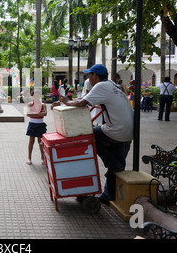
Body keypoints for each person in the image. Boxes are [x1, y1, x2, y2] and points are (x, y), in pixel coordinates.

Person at [52, 64, 133, 204]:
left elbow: (83, 103)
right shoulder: (113, 85)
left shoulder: (101, 86)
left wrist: (67, 102)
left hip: (116, 130)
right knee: (117, 165)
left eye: (90, 75)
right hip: (128, 133)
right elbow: (85, 100)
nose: (88, 78)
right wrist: (70, 101)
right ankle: (108, 196)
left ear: (95, 75)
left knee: (89, 135)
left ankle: (111, 164)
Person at [26, 88, 47, 166]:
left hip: (40, 124)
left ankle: (43, 158)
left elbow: (45, 113)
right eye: (35, 95)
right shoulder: (30, 104)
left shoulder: (43, 104)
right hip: (32, 124)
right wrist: (39, 113)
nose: (37, 97)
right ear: (33, 96)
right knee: (31, 141)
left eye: (38, 95)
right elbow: (28, 114)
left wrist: (34, 113)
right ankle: (29, 157)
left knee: (41, 142)